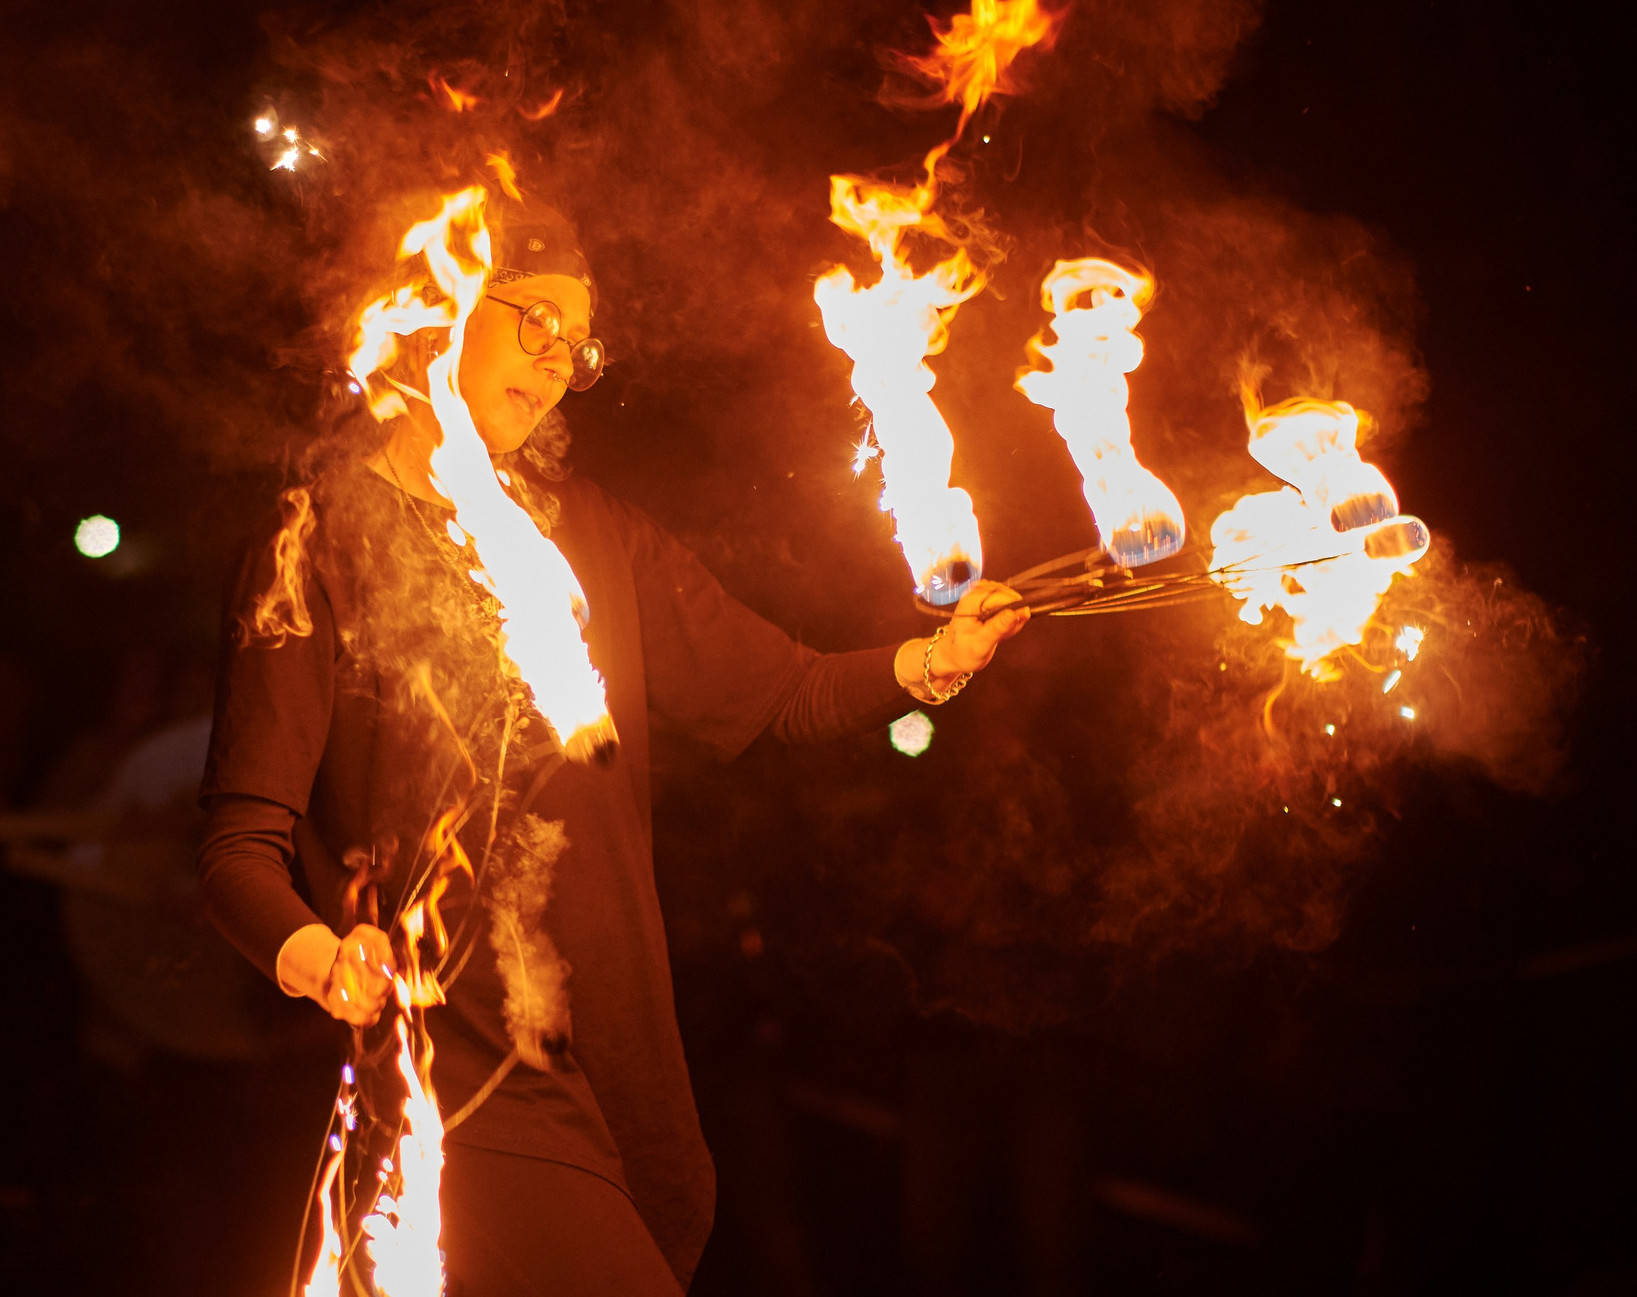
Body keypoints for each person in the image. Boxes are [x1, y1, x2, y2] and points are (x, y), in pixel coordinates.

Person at [199, 194, 1027, 1294]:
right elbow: (236, 849)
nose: (554, 360)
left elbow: (780, 688)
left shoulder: (593, 532)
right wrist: (323, 961)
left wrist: (933, 662)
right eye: (531, 318)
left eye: (575, 342)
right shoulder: (317, 540)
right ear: (442, 307)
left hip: (617, 1066)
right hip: (463, 1073)